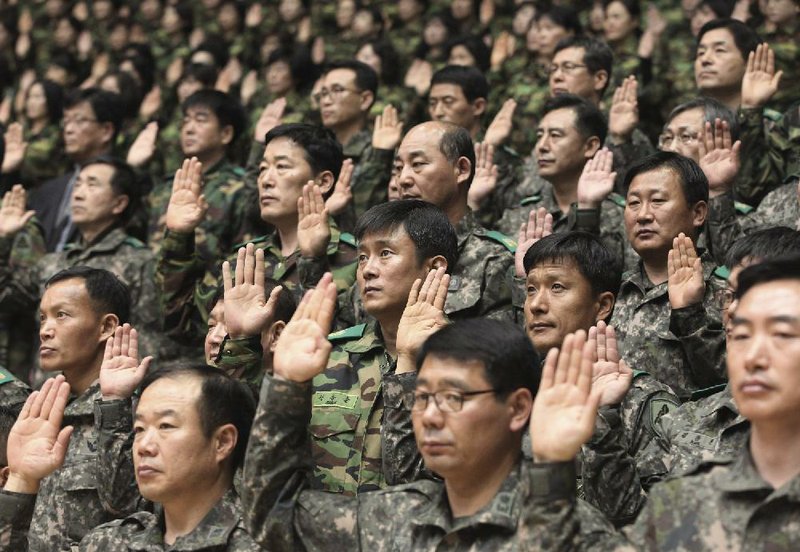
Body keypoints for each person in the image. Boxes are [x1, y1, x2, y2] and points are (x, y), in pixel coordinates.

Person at [242, 283, 620, 549]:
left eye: (454, 397)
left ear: (518, 408)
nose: (431, 418)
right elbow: (276, 520)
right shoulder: (395, 514)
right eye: (422, 398)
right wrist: (287, 385)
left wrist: (552, 467)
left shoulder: (570, 527)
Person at [581, 226, 800, 524]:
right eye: (731, 295)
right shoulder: (690, 419)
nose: (736, 310)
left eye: (755, 294)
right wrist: (604, 421)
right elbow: (636, 518)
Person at [157, 123, 357, 352]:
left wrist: (314, 259)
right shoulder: (245, 259)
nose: (266, 180)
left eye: (281, 167)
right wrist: (179, 239)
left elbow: (346, 350)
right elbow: (184, 326)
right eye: (263, 168)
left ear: (323, 182)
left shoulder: (356, 260)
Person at [11, 267, 130, 550]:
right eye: (43, 317)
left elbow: (134, 512)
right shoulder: (41, 409)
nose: (45, 330)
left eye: (61, 315)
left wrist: (115, 407)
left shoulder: (135, 411)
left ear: (106, 327)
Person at [612, 151, 726, 399]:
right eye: (633, 203)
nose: (643, 215)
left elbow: (732, 384)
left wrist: (690, 314)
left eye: (658, 201)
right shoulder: (610, 291)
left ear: (697, 213)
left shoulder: (726, 293)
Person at [391, 120, 517, 323]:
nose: (403, 178)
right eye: (398, 168)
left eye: (418, 164)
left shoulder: (495, 261)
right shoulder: (385, 255)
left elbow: (497, 348)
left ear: (462, 169)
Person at [496, 95, 633, 270]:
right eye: (539, 136)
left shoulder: (623, 216)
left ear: (590, 146)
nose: (542, 146)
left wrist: (588, 212)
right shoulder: (522, 215)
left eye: (555, 135)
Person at [145, 89, 250, 261]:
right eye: (185, 121)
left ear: (226, 134)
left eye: (200, 120)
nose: (189, 129)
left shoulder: (240, 187)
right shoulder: (167, 186)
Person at [26, 88, 123, 252]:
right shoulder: (48, 190)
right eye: (66, 121)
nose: (68, 129)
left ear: (106, 130)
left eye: (79, 121)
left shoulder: (125, 186)